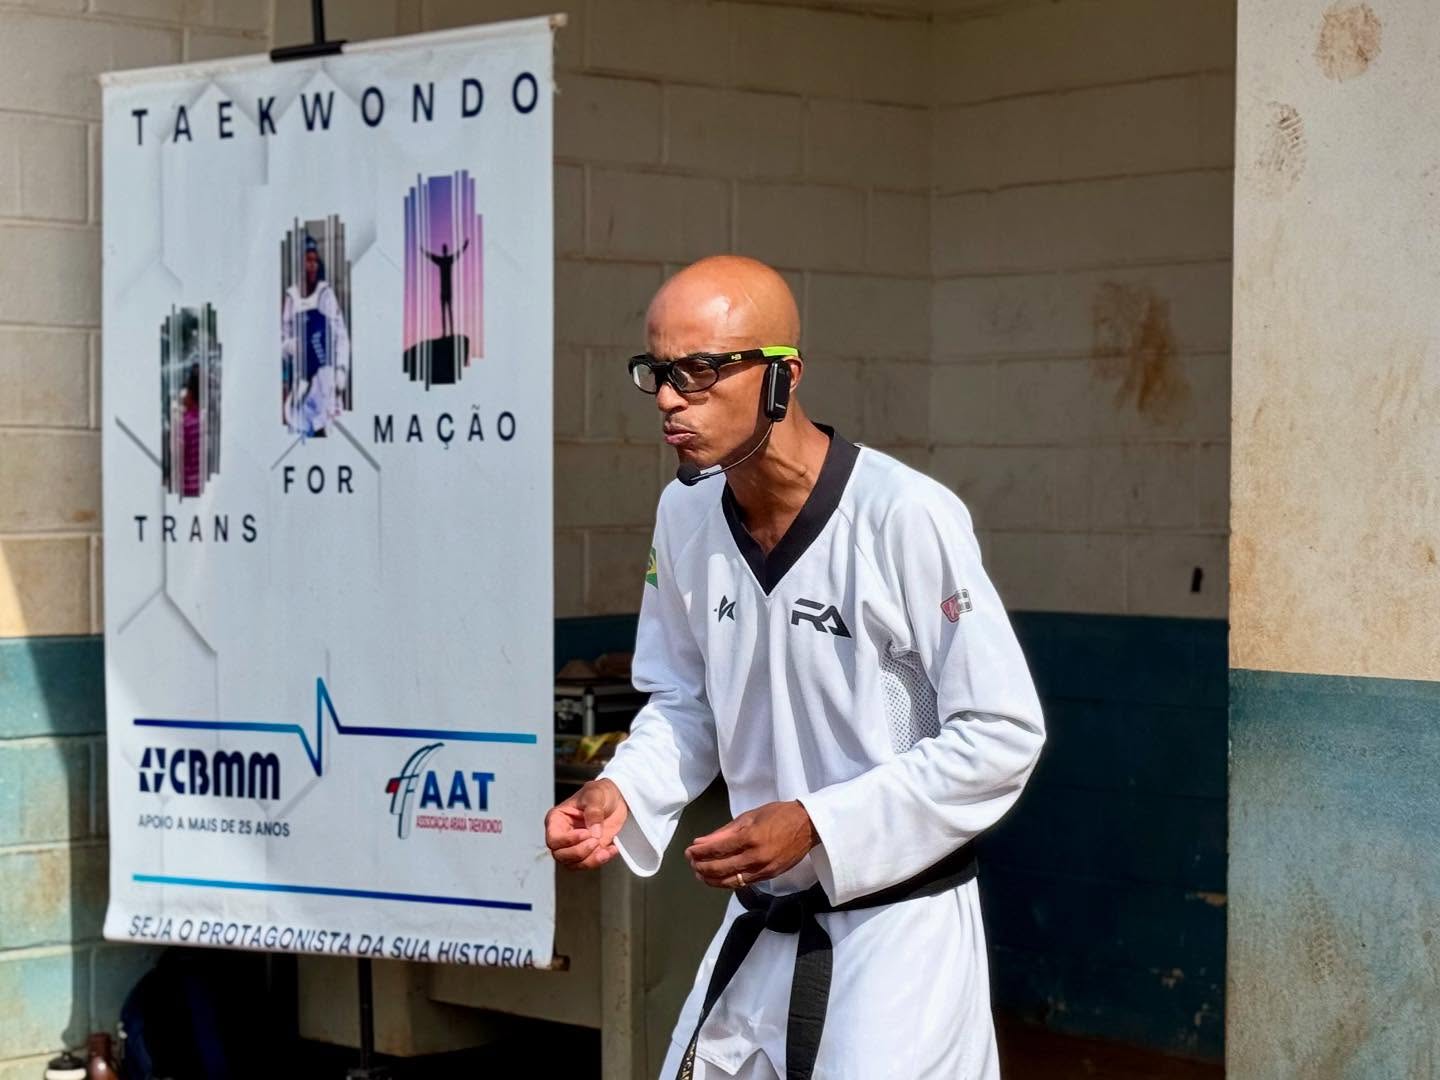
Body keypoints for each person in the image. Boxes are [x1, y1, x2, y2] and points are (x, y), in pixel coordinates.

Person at [544, 255, 1047, 1079]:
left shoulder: (903, 516)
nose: (670, 397)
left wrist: (818, 823)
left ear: (784, 376)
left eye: (701, 370)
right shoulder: (685, 513)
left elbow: (1000, 735)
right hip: (762, 928)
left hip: (897, 943)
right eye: (658, 371)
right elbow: (684, 701)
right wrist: (621, 789)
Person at [281, 234, 350, 437]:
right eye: (307, 260)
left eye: (314, 260)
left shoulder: (325, 294)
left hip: (326, 379)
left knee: (329, 432)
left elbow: (341, 335)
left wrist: (341, 370)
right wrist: (289, 346)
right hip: (302, 383)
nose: (312, 265)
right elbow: (282, 338)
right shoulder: (291, 297)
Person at [423, 238, 469, 339]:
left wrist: (465, 246)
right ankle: (445, 333)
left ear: (445, 250)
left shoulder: (447, 260)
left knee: (448, 311)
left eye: (444, 248)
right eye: (444, 248)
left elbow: (458, 253)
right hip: (444, 290)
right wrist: (423, 251)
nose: (444, 250)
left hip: (447, 290)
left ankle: (450, 332)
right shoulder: (445, 260)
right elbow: (432, 257)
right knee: (445, 312)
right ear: (445, 250)